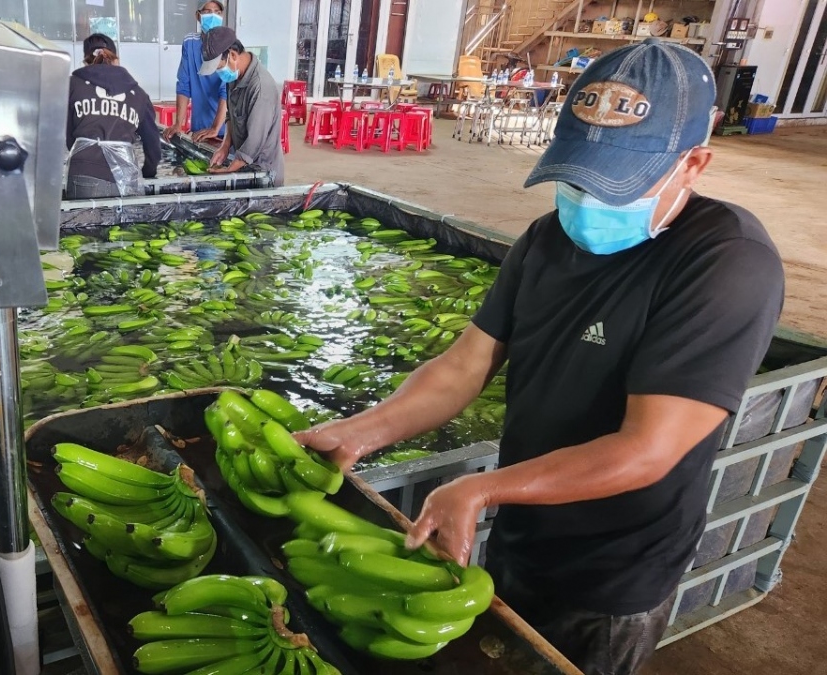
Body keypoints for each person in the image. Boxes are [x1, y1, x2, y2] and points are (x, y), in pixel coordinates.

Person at [295, 39, 784, 675]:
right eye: (579, 175)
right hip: (523, 530)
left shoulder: (727, 262)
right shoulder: (548, 238)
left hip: (612, 573)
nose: (588, 200)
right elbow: (464, 366)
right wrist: (361, 431)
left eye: (619, 183)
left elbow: (648, 448)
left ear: (693, 163)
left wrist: (482, 487)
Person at [66, 33, 162, 200]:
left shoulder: (72, 84)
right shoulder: (138, 94)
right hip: (126, 174)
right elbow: (153, 143)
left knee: (85, 225)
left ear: (86, 61)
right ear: (116, 59)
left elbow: (67, 135)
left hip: (84, 171)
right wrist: (149, 172)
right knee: (125, 226)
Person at [199, 27, 285, 187]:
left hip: (263, 173)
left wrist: (229, 171)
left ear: (232, 55)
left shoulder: (260, 87)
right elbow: (231, 115)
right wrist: (225, 146)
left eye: (219, 67)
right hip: (243, 164)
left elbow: (255, 141)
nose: (219, 73)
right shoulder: (234, 77)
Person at [163, 0, 229, 143]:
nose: (213, 16)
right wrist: (178, 124)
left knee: (220, 163)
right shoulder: (190, 43)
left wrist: (215, 128)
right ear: (198, 16)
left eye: (217, 12)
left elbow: (226, 90)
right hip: (199, 126)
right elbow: (184, 84)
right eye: (207, 11)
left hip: (225, 129)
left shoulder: (228, 44)